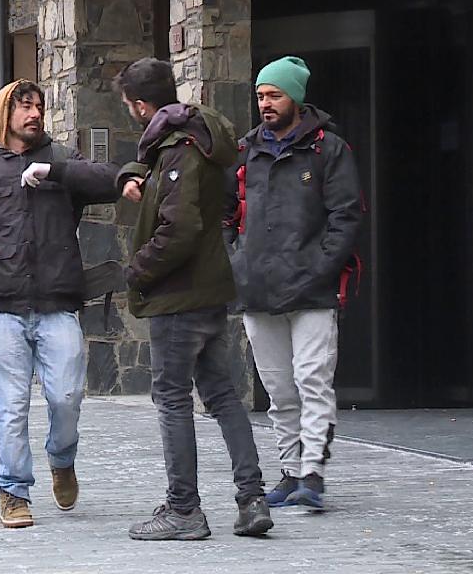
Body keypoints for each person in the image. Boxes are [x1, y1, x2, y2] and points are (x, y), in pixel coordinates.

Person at [0, 79, 119, 528]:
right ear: (4, 114)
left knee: (68, 397)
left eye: (38, 107)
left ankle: (62, 458)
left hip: (57, 305)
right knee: (11, 406)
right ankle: (13, 489)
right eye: (25, 107)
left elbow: (111, 181)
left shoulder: (61, 158)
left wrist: (56, 174)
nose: (34, 114)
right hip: (2, 307)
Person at [114, 57, 273, 541]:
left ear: (141, 106)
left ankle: (184, 509)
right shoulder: (195, 137)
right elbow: (203, 200)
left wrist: (137, 269)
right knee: (222, 395)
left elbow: (179, 228)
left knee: (173, 398)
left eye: (129, 107)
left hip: (179, 295)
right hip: (206, 288)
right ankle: (252, 498)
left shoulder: (179, 148)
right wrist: (134, 172)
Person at [225, 56, 363, 510]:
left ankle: (313, 475)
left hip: (312, 290)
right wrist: (237, 259)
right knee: (279, 388)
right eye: (261, 95)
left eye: (274, 95)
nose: (265, 103)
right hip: (257, 289)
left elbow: (346, 216)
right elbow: (226, 214)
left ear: (295, 99)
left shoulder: (329, 150)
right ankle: (289, 471)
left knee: (312, 380)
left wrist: (320, 268)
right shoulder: (246, 151)